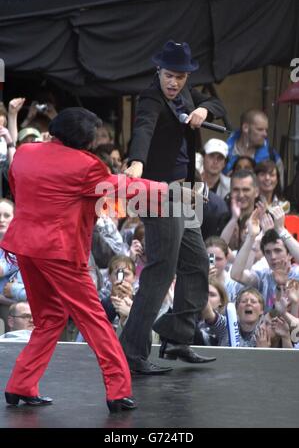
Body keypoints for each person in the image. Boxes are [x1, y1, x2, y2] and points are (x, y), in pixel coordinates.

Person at [1, 107, 167, 411]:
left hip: (25, 247)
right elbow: (125, 190)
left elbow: (19, 188)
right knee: (95, 321)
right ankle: (118, 390)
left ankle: (20, 384)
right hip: (59, 251)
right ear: (86, 142)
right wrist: (171, 192)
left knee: (49, 319)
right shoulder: (85, 166)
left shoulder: (25, 152)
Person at [119, 40, 226, 374]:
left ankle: (177, 338)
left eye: (180, 77)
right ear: (158, 71)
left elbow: (215, 103)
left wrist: (203, 111)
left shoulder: (185, 92)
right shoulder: (151, 98)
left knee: (196, 264)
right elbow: (144, 129)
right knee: (161, 269)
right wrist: (136, 162)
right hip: (155, 191)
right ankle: (132, 352)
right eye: (169, 75)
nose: (174, 82)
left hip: (183, 193)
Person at [223, 109, 284, 188]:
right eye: (260, 129)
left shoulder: (273, 157)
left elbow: (279, 192)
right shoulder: (222, 154)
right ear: (245, 128)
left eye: (266, 130)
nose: (265, 134)